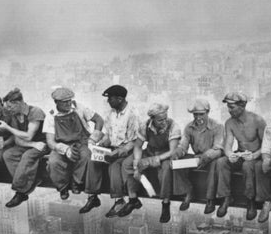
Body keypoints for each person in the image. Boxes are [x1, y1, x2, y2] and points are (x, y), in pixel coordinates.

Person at [90, 84, 145, 218]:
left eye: (110, 98)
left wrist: (120, 151)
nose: (108, 101)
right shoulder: (111, 114)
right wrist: (100, 145)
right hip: (115, 149)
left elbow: (135, 140)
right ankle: (119, 200)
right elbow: (108, 135)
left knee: (121, 166)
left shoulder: (133, 114)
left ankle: (130, 199)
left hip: (131, 149)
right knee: (112, 166)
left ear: (120, 99)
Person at [214, 90, 269, 220]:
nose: (229, 110)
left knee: (247, 166)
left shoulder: (258, 120)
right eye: (228, 107)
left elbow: (266, 146)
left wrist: (255, 155)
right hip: (241, 154)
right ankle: (226, 197)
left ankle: (250, 201)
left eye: (231, 107)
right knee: (221, 162)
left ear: (242, 106)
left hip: (255, 156)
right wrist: (229, 154)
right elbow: (228, 144)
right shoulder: (229, 123)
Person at [0, 87, 48, 208]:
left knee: (27, 156)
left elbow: (28, 136)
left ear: (18, 103)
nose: (8, 109)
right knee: (8, 154)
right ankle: (32, 181)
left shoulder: (35, 112)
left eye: (10, 106)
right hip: (31, 144)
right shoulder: (15, 115)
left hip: (43, 144)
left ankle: (20, 192)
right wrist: (32, 144)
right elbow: (17, 139)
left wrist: (8, 128)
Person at [44, 86, 98, 210]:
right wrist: (64, 149)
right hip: (61, 144)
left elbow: (98, 119)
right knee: (53, 162)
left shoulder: (79, 108)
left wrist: (94, 137)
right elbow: (50, 142)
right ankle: (62, 188)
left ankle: (76, 183)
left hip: (81, 142)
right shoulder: (51, 116)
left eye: (69, 100)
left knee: (85, 156)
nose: (69, 103)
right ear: (56, 102)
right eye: (64, 102)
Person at [174, 98, 223, 214]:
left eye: (201, 114)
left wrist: (206, 156)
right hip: (197, 157)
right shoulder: (189, 127)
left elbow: (218, 148)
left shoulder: (217, 126)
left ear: (208, 112)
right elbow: (183, 146)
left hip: (212, 157)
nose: (198, 118)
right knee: (177, 164)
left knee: (215, 165)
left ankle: (210, 199)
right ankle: (188, 191)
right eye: (195, 115)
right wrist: (177, 153)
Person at [136, 101, 183, 223]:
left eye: (165, 118)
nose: (164, 122)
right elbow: (137, 146)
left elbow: (172, 151)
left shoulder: (173, 126)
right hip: (150, 152)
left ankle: (165, 203)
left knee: (166, 169)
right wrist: (138, 162)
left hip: (165, 154)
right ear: (152, 119)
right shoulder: (145, 126)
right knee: (134, 167)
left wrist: (157, 159)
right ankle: (133, 198)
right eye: (160, 120)